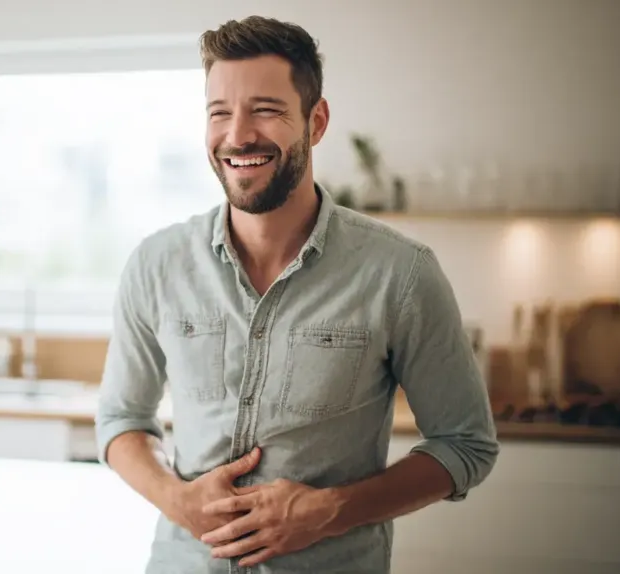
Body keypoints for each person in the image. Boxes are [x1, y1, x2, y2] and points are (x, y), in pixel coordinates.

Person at [95, 15, 499, 574]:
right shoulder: (156, 264)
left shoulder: (400, 274)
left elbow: (465, 444)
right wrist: (176, 498)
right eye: (220, 113)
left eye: (265, 109)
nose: (237, 135)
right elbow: (120, 421)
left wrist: (331, 510)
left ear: (316, 120)